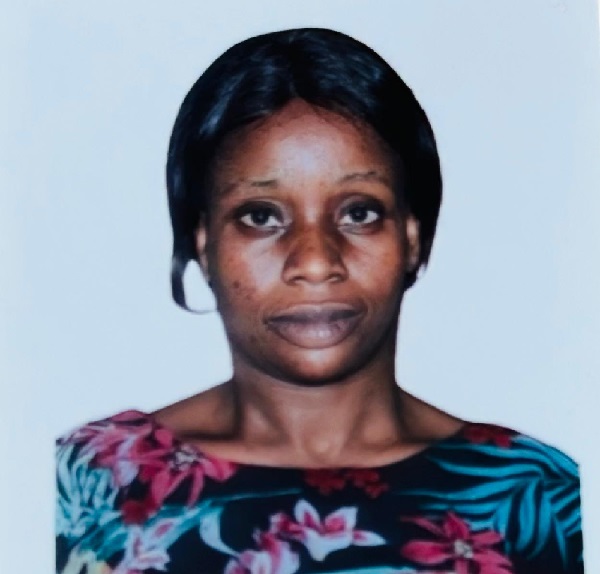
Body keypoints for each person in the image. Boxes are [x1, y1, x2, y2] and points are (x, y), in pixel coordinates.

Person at [55, 28, 583, 574]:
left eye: (359, 213)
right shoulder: (90, 485)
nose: (314, 261)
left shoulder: (541, 499)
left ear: (410, 237)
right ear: (205, 245)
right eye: (261, 216)